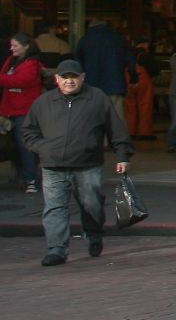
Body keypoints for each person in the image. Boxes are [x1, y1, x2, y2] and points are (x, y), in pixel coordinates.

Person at [19, 60, 132, 267]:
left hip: (87, 164)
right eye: (65, 77)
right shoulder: (43, 102)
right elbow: (28, 131)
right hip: (52, 166)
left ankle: (94, 234)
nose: (69, 81)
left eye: (74, 77)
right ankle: (56, 249)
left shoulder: (97, 98)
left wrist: (122, 155)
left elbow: (115, 128)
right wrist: (42, 148)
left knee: (92, 205)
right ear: (57, 79)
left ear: (82, 78)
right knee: (55, 208)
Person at [4, 33, 46, 192]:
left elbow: (20, 81)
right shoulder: (11, 61)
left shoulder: (33, 64)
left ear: (26, 46)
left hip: (25, 110)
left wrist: (2, 79)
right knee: (13, 145)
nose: (11, 48)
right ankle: (25, 177)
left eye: (15, 45)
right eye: (11, 45)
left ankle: (31, 180)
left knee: (25, 145)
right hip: (9, 108)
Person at [73, 19, 133, 122]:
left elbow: (77, 65)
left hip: (90, 85)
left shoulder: (85, 40)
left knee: (91, 119)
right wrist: (133, 77)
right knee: (116, 119)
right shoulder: (118, 40)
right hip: (115, 84)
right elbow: (130, 61)